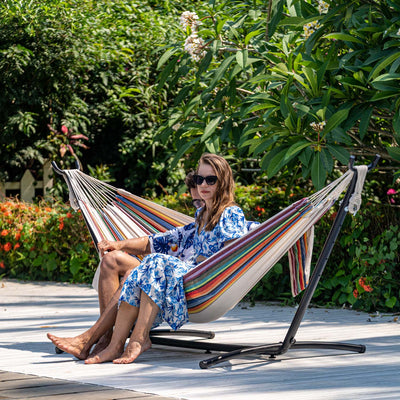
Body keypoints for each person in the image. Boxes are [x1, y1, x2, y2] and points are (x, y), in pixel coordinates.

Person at [48, 153, 249, 364]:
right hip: (183, 272)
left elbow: (230, 258)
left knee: (154, 262)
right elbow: (161, 240)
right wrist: (118, 244)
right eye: (200, 179)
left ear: (223, 181)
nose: (203, 185)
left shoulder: (231, 213)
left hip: (205, 281)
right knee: (130, 264)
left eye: (211, 179)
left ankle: (128, 339)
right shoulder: (202, 216)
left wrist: (200, 260)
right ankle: (114, 343)